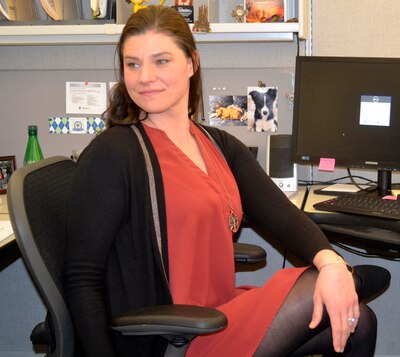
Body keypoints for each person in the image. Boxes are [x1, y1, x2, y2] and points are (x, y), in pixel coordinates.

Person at [64, 5, 379, 356]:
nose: (145, 76)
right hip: (168, 333)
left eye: (161, 61)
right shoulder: (115, 153)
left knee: (359, 322)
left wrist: (330, 262)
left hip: (216, 316)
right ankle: (352, 278)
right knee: (327, 292)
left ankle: (345, 277)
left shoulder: (216, 143)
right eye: (133, 64)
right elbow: (80, 279)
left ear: (191, 63)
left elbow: (280, 215)